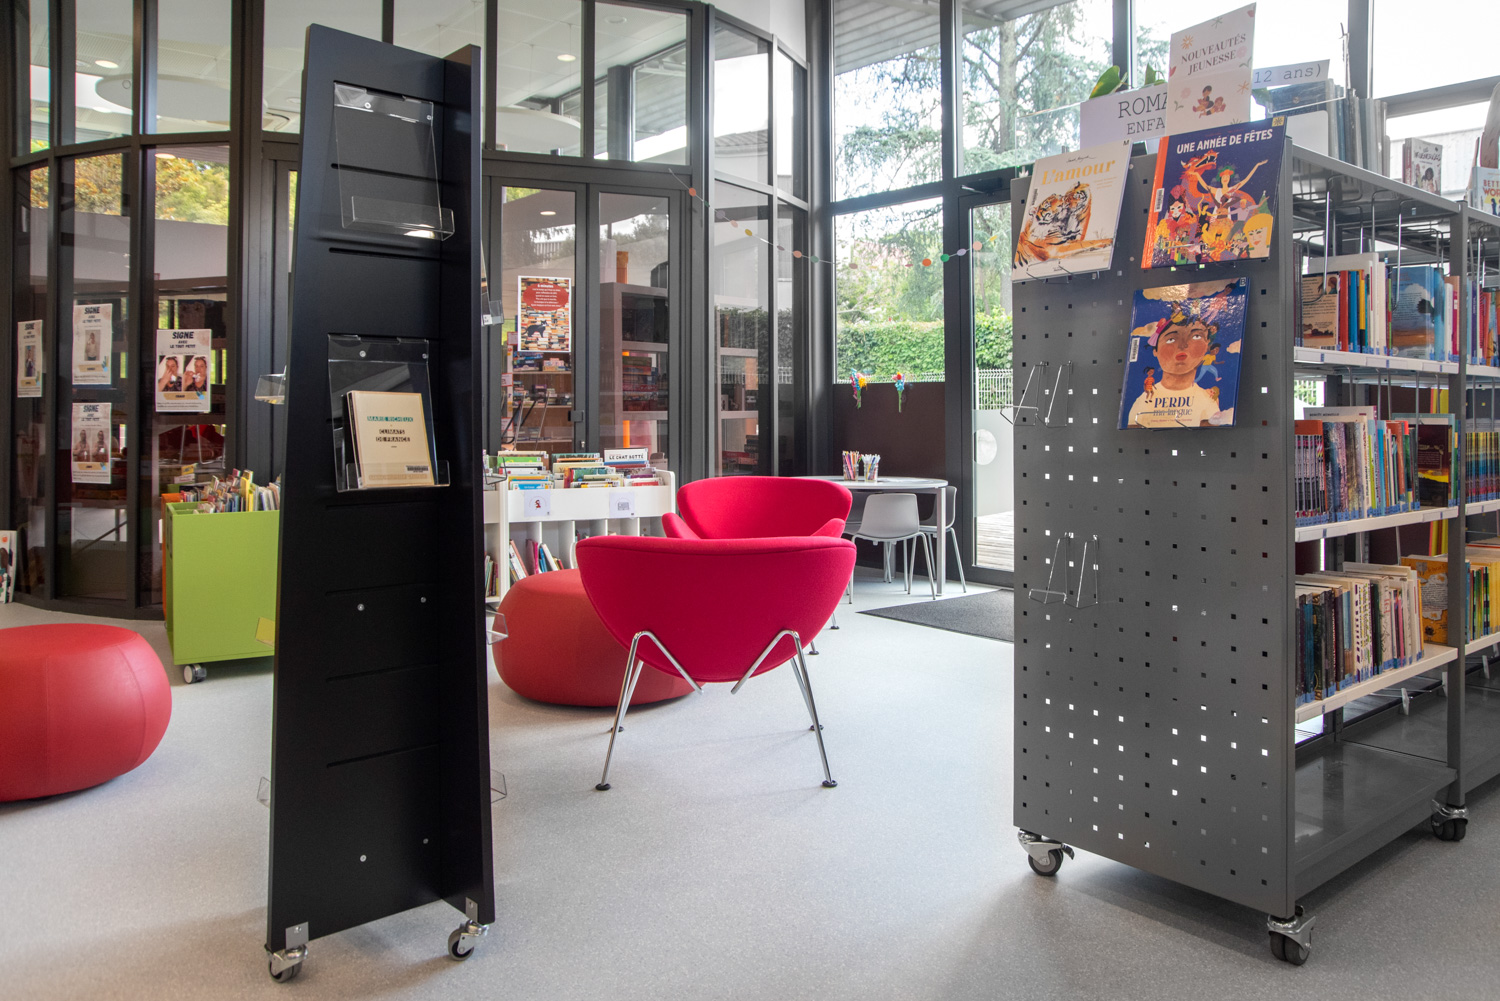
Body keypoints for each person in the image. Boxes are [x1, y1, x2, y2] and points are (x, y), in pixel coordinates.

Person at [1126, 303, 1224, 427]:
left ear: (1207, 346)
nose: (1183, 345)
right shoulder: (1142, 402)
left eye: (1196, 336)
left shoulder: (1207, 401)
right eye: (1171, 339)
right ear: (1155, 350)